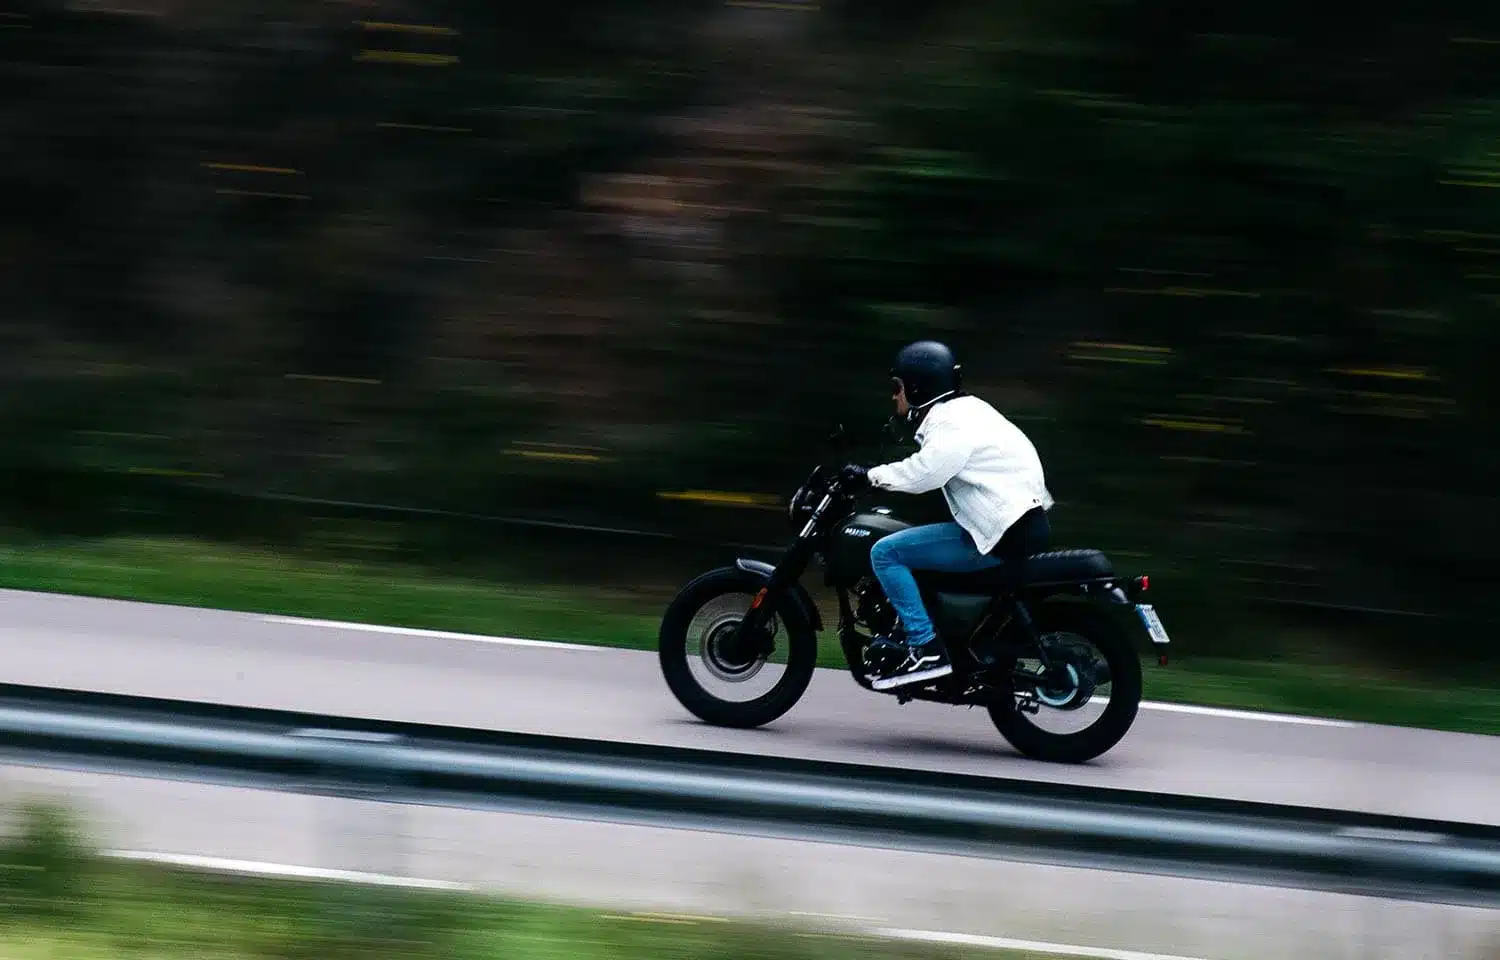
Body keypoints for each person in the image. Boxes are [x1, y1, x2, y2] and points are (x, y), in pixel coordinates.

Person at [837, 340, 1054, 691]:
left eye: (899, 387)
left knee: (886, 552)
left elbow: (929, 472)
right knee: (913, 548)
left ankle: (925, 648)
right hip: (1006, 525)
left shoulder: (949, 421)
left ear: (919, 387)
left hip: (1001, 533)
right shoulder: (966, 412)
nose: (895, 396)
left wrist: (870, 476)